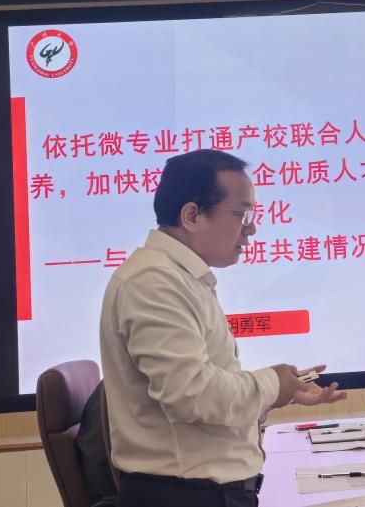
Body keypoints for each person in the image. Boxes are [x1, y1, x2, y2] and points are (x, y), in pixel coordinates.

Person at [100, 149, 347, 507]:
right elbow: (191, 395)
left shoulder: (180, 278)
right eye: (242, 214)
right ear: (191, 215)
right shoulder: (153, 282)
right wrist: (272, 383)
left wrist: (282, 390)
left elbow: (202, 402)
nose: (252, 228)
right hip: (186, 498)